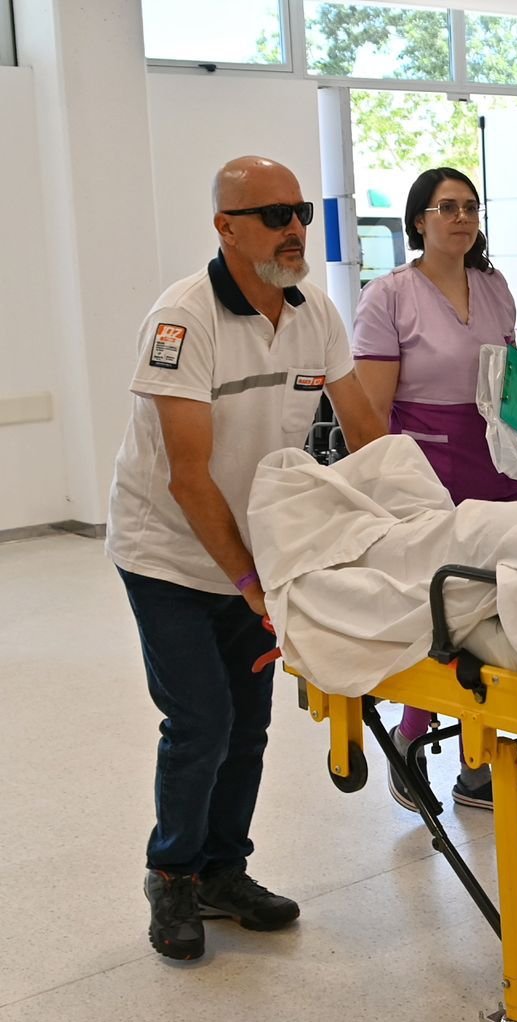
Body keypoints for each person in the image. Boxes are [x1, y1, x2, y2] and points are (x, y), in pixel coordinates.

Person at [107, 156, 387, 962]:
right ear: (226, 228)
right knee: (202, 720)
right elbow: (187, 477)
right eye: (272, 215)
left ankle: (224, 871)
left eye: (300, 211)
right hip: (168, 554)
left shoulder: (314, 313)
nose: (294, 228)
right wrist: (247, 581)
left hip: (257, 553)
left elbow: (366, 432)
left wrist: (407, 525)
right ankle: (173, 875)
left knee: (250, 724)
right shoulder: (182, 320)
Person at [352, 166, 517, 815]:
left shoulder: (494, 286)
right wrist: (382, 495)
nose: (462, 218)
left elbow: (505, 374)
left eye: (470, 206)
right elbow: (370, 412)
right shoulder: (389, 296)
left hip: (495, 461)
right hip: (428, 469)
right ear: (419, 220)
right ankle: (412, 737)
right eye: (446, 207)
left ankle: (477, 768)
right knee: (443, 611)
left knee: (500, 609)